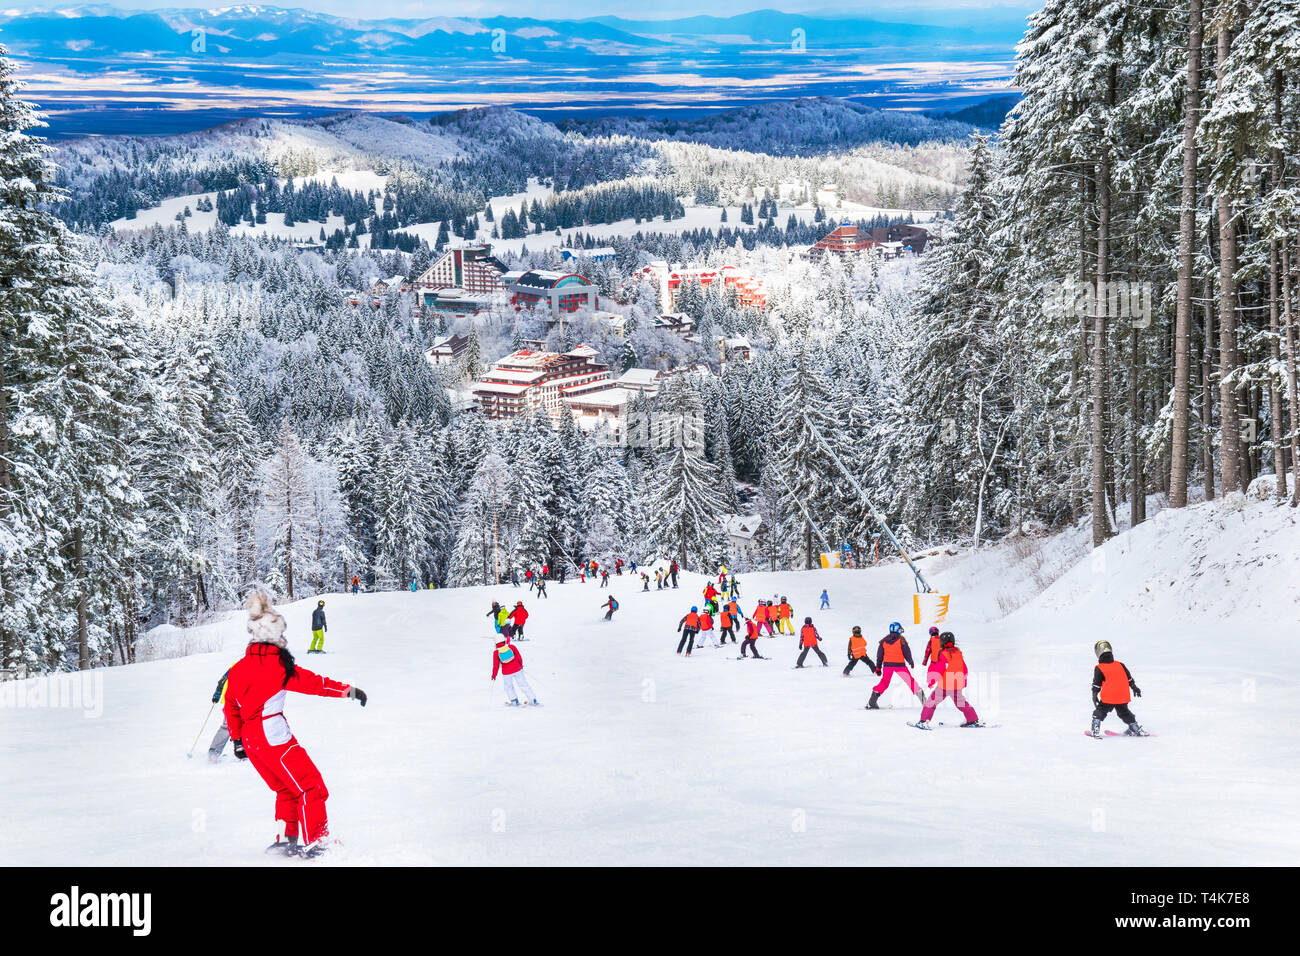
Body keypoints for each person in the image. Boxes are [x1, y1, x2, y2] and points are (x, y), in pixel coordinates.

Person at [225, 592, 366, 857]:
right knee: (311, 785)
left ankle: (285, 840)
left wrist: (237, 740)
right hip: (273, 735)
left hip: (251, 741)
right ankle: (318, 841)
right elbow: (315, 684)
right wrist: (348, 691)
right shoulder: (278, 664)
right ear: (275, 636)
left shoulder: (238, 668)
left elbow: (230, 706)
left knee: (286, 788)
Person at [914, 631, 981, 729]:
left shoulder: (942, 654)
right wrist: (964, 681)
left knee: (931, 702)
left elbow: (939, 670)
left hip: (945, 686)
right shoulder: (958, 653)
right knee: (961, 703)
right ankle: (973, 720)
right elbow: (965, 669)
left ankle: (923, 721)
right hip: (957, 684)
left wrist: (932, 681)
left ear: (941, 642)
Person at [1090, 640, 1147, 737]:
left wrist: (1094, 695)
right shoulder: (1120, 665)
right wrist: (1134, 687)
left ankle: (1095, 727)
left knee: (1101, 710)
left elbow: (1096, 684)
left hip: (1109, 696)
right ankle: (1135, 728)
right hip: (1122, 695)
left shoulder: (1100, 668)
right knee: (1124, 712)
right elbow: (1129, 678)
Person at [866, 622, 925, 708]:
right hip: (900, 665)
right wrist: (910, 661)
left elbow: (879, 656)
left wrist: (878, 668)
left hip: (887, 666)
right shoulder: (901, 640)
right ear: (897, 629)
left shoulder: (883, 641)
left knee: (884, 682)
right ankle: (924, 701)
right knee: (910, 681)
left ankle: (872, 701)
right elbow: (907, 652)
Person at [492, 636, 538, 706]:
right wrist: (521, 665)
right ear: (504, 641)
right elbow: (519, 656)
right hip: (517, 669)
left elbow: (496, 666)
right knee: (523, 684)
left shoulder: (496, 652)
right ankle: (532, 699)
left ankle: (514, 701)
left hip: (506, 673)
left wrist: (494, 675)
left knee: (508, 686)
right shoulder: (512, 647)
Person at [208, 661, 239, 762]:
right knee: (228, 725)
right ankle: (214, 751)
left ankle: (246, 751)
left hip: (245, 701)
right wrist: (217, 694)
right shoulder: (236, 666)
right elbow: (222, 681)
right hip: (231, 701)